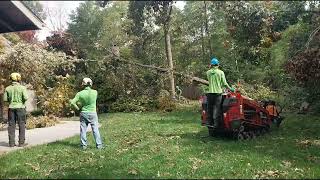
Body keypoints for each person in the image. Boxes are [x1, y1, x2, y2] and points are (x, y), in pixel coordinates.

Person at [70, 78, 103, 149]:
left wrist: (78, 108)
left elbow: (72, 103)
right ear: (91, 84)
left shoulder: (79, 94)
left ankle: (84, 146)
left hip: (84, 113)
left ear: (83, 84)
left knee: (83, 130)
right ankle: (99, 145)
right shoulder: (95, 92)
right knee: (95, 129)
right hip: (93, 113)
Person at [206, 58, 234, 132]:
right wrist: (231, 89)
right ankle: (216, 124)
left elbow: (210, 81)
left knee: (209, 108)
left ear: (211, 65)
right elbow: (224, 83)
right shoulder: (221, 72)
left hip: (210, 93)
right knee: (216, 108)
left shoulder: (208, 72)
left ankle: (209, 122)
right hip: (218, 93)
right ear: (218, 64)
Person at [3, 73, 28, 147]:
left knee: (11, 125)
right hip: (21, 108)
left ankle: (11, 143)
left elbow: (5, 99)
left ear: (11, 79)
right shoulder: (22, 88)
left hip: (11, 108)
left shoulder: (7, 88)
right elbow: (26, 98)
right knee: (21, 125)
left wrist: (11, 100)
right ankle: (21, 143)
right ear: (19, 79)